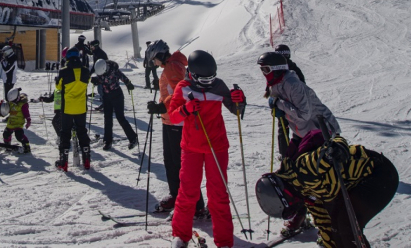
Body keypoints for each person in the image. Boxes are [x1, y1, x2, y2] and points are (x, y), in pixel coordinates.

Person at [256, 130, 398, 248]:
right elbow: (325, 225)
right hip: (354, 184)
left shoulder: (304, 168)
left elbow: (335, 141)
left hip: (378, 174)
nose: (292, 213)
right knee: (336, 227)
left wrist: (336, 148)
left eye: (289, 211)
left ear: (287, 196)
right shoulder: (306, 194)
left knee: (347, 225)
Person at [258, 51, 341, 236]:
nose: (263, 73)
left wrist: (279, 105)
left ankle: (332, 224)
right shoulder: (275, 83)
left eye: (265, 69)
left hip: (320, 132)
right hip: (302, 133)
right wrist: (279, 110)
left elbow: (304, 113)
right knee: (292, 174)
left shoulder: (293, 84)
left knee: (318, 178)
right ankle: (300, 215)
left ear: (277, 69)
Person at [168, 50, 244, 248]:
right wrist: (186, 109)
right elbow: (173, 116)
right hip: (191, 147)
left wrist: (238, 100)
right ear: (192, 74)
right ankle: (180, 234)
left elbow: (236, 110)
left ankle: (225, 241)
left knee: (218, 194)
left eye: (211, 79)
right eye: (204, 80)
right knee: (188, 192)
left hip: (216, 146)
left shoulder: (219, 86)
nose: (209, 83)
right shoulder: (182, 88)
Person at [146, 40, 202, 215]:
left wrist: (162, 106)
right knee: (170, 162)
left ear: (159, 55)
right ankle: (176, 195)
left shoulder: (172, 67)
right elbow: (172, 90)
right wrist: (161, 89)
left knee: (180, 164)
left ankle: (196, 205)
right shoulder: (169, 67)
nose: (153, 63)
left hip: (177, 120)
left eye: (153, 59)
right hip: (170, 120)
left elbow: (181, 92)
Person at [55, 47, 92, 172]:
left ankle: (63, 162)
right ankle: (86, 160)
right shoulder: (85, 70)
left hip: (68, 108)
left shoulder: (63, 71)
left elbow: (58, 86)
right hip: (81, 107)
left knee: (65, 133)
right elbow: (88, 81)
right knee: (82, 131)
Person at [91, 59, 138, 151]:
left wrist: (128, 83)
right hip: (106, 96)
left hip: (117, 95)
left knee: (120, 117)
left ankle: (133, 138)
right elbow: (101, 80)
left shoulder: (113, 70)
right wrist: (96, 80)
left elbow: (122, 76)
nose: (100, 75)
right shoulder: (100, 70)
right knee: (107, 118)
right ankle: (108, 141)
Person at [3, 87, 32, 153]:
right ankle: (7, 145)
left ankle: (26, 145)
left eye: (14, 101)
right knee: (6, 134)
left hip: (18, 124)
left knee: (19, 136)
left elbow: (26, 113)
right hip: (11, 123)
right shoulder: (11, 103)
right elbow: (6, 109)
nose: (12, 102)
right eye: (11, 101)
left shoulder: (23, 105)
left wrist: (28, 121)